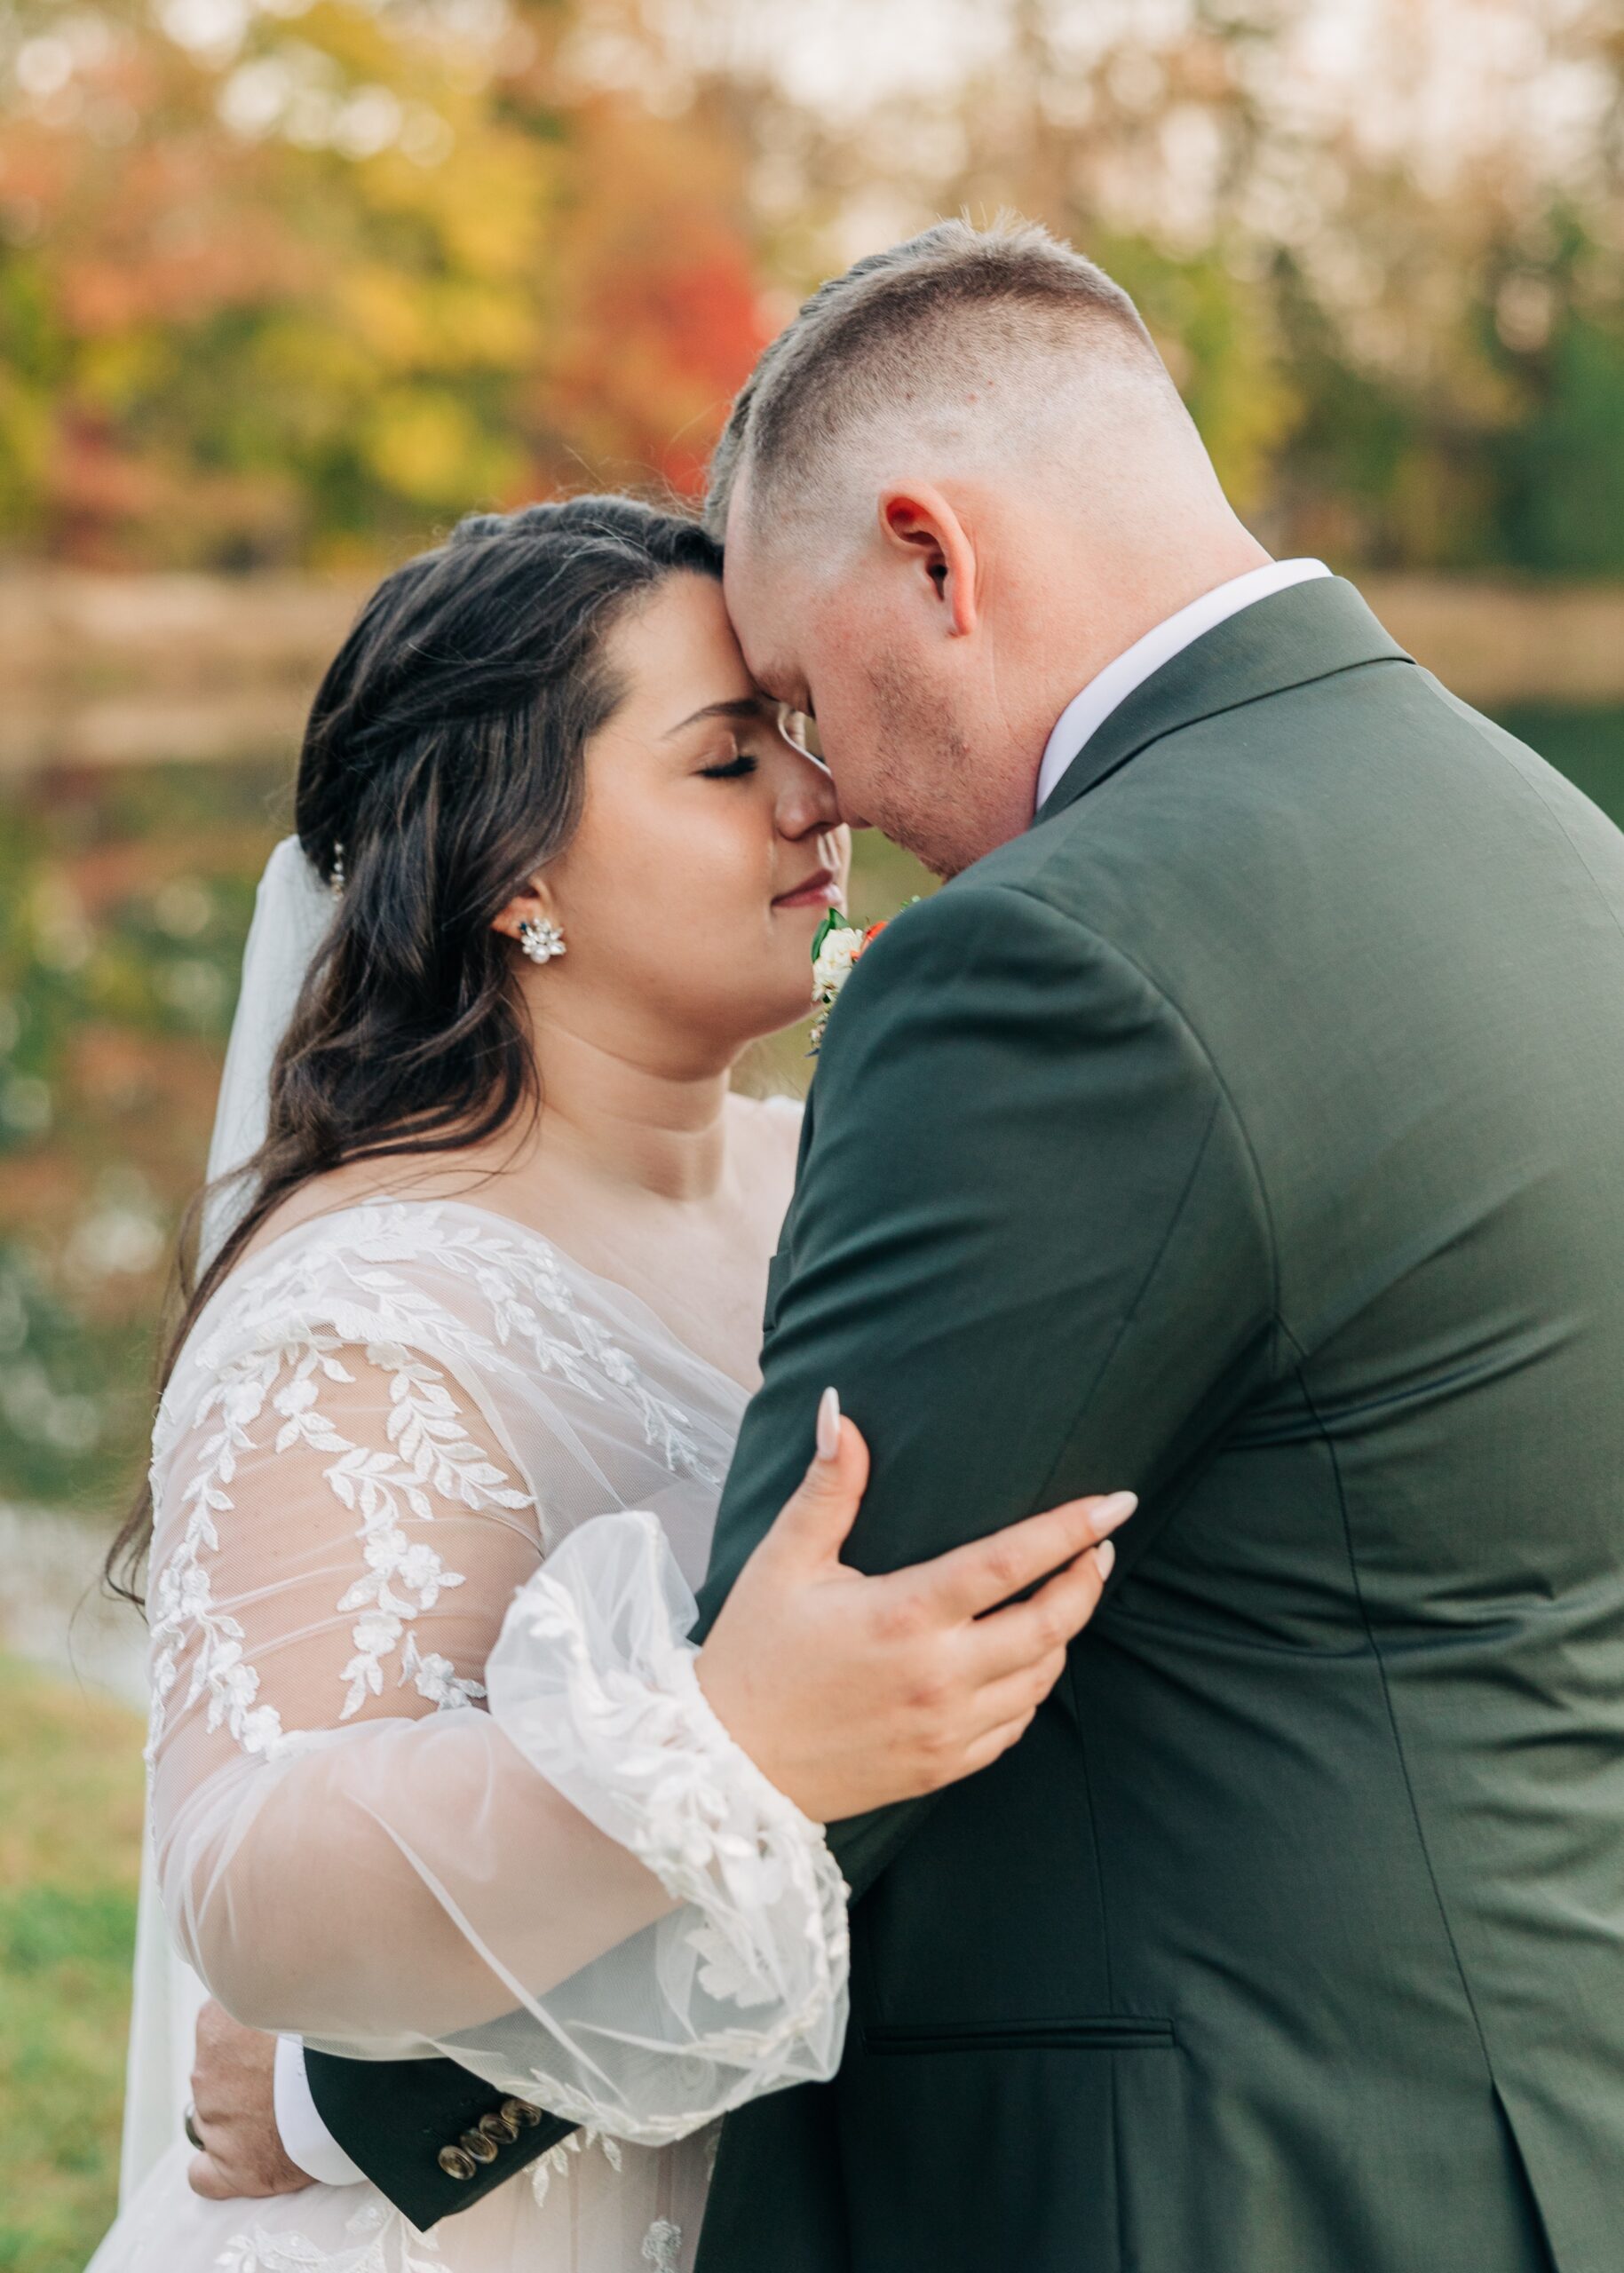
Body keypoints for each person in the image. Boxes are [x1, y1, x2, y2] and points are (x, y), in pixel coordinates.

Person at [268, 221, 1624, 2272]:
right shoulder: (1547, 846)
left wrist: (346, 2086)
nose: (839, 797)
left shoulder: (1066, 957)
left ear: (936, 557)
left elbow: (840, 1669)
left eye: (804, 695)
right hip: (1526, 2123)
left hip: (1187, 2183)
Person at [88, 493, 1128, 2273]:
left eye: (794, 737)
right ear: (516, 868)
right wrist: (718, 1747)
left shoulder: (850, 1178)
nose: (820, 799)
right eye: (728, 761)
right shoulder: (371, 1300)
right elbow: (243, 1872)